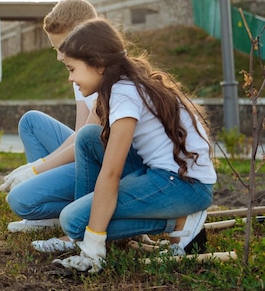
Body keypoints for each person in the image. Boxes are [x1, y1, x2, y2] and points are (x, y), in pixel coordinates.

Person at [41, 18, 216, 273]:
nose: (70, 78)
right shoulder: (122, 84)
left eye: (72, 69)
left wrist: (93, 243)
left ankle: (179, 219)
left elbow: (111, 172)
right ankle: (86, 227)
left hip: (185, 186)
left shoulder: (124, 94)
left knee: (74, 222)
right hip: (166, 173)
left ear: (98, 65)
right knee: (89, 137)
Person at [0, 0, 99, 240]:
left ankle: (66, 209)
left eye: (62, 46)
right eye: (56, 48)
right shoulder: (78, 71)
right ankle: (47, 217)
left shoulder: (100, 70)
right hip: (87, 148)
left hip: (102, 161)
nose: (58, 56)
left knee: (21, 201)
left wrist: (36, 170)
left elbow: (87, 142)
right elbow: (79, 132)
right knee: (31, 121)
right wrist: (41, 165)